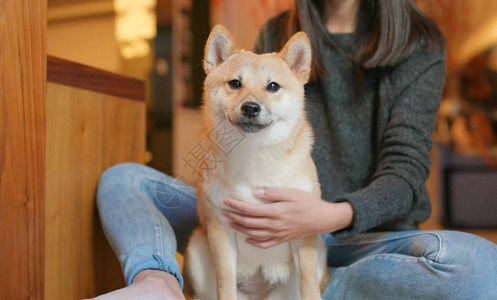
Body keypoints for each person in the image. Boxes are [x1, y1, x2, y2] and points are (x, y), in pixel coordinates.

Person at [93, 0, 497, 299]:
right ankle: (158, 283)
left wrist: (329, 215)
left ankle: (322, 289)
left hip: (361, 237)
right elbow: (246, 111)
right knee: (124, 179)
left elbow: (406, 172)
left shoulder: (419, 43)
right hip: (248, 212)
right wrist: (212, 165)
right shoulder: (279, 30)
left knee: (481, 268)